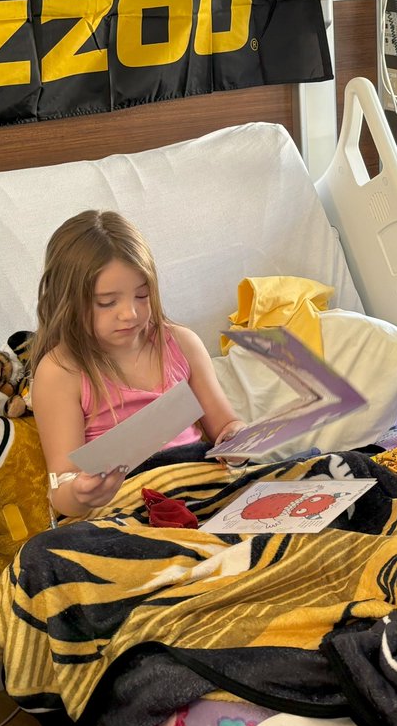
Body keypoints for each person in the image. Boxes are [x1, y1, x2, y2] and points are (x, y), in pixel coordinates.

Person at [32, 209, 244, 518]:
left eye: (142, 296)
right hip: (129, 504)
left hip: (201, 484)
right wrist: (80, 492)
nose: (130, 313)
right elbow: (61, 489)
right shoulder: (60, 372)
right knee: (45, 555)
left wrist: (238, 439)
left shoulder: (181, 343)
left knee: (320, 474)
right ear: (68, 302)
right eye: (107, 303)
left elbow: (225, 426)